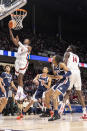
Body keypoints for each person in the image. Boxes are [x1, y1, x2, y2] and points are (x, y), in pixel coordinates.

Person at [59, 45, 87, 119]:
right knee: (79, 93)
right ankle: (85, 113)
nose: (67, 48)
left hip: (71, 72)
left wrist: (64, 74)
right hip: (78, 73)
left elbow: (64, 63)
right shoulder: (77, 56)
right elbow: (78, 66)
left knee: (67, 92)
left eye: (68, 47)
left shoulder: (67, 53)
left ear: (70, 49)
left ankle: (60, 112)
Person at [45, 55, 71, 121]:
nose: (51, 58)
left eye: (53, 58)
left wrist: (63, 76)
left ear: (56, 59)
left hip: (65, 82)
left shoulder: (61, 64)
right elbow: (56, 77)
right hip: (59, 82)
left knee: (54, 96)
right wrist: (48, 76)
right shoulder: (54, 66)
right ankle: (48, 111)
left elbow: (69, 72)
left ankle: (56, 114)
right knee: (47, 94)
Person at [9, 27, 32, 101]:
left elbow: (26, 49)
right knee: (18, 78)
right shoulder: (20, 45)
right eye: (25, 39)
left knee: (21, 77)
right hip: (17, 61)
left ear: (29, 42)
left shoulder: (29, 47)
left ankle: (21, 94)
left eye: (27, 40)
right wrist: (10, 30)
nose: (25, 40)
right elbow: (13, 39)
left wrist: (19, 42)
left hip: (23, 61)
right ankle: (20, 94)